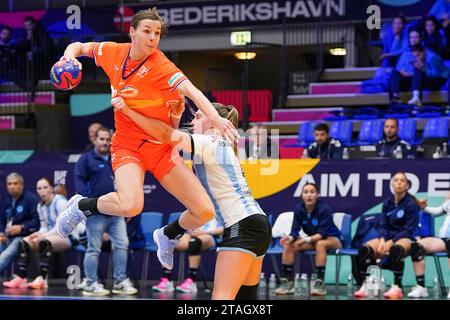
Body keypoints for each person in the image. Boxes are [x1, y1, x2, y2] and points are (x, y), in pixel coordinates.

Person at [56, 8, 238, 255]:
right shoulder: (113, 52)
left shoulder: (162, 66)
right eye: (147, 31)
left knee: (204, 210)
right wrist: (68, 58)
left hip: (162, 148)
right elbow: (78, 46)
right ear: (132, 32)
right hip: (128, 145)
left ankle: (167, 235)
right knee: (131, 205)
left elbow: (194, 92)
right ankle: (81, 206)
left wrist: (216, 119)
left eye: (157, 33)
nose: (153, 38)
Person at [114, 100, 272, 300]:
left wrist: (128, 111)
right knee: (247, 299)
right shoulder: (218, 144)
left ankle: (168, 234)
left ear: (215, 122)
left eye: (199, 115)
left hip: (242, 225)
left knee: (222, 297)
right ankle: (168, 234)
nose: (194, 118)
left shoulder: (210, 142)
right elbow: (169, 143)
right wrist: (175, 118)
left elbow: (165, 135)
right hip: (258, 224)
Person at [74, 126, 137, 296]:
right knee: (94, 247)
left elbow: (126, 182)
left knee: (122, 245)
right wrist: (87, 205)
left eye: (107, 139)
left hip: (117, 212)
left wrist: (129, 205)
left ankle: (120, 282)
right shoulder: (86, 160)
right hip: (96, 213)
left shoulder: (116, 159)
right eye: (101, 139)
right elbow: (79, 182)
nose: (104, 142)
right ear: (94, 140)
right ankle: (91, 283)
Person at [2, 178, 82, 289]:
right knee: (25, 241)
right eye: (39, 188)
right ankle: (21, 278)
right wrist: (36, 234)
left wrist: (42, 236)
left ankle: (42, 279)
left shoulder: (60, 202)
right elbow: (44, 227)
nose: (42, 191)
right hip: (52, 235)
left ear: (51, 188)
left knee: (44, 242)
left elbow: (62, 227)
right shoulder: (40, 206)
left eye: (45, 187)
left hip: (69, 236)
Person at [354, 172, 420, 299]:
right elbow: (383, 224)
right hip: (388, 236)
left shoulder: (411, 204)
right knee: (364, 249)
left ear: (407, 185)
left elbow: (409, 229)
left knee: (396, 249)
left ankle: (397, 286)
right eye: (396, 180)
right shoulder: (387, 203)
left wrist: (392, 241)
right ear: (392, 184)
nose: (399, 183)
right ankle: (367, 284)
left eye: (402, 181)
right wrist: (383, 239)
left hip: (405, 237)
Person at [275, 183, 342, 296]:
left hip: (332, 239)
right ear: (302, 195)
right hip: (313, 240)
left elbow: (322, 234)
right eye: (306, 192)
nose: (309, 195)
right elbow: (295, 230)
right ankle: (287, 282)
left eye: (312, 192)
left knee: (320, 244)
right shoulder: (298, 209)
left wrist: (305, 239)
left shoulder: (324, 209)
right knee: (289, 245)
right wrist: (289, 237)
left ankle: (320, 284)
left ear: (317, 195)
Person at [152, 218, 223, 293]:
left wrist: (204, 232)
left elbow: (225, 228)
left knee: (194, 243)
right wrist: (192, 230)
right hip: (193, 234)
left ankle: (192, 281)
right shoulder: (201, 208)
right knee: (167, 241)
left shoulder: (222, 209)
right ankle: (167, 280)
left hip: (212, 236)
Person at [408, 193, 450, 299]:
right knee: (416, 246)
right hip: (443, 239)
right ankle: (421, 287)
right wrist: (423, 207)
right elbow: (436, 211)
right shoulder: (448, 203)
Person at [0, 173, 39, 278]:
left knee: (4, 256)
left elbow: (37, 222)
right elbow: (1, 221)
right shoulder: (6, 200)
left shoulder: (31, 199)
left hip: (24, 237)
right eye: (9, 184)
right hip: (7, 237)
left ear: (21, 185)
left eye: (15, 183)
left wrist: (22, 227)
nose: (12, 186)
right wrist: (2, 233)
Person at [389, 29, 422, 104]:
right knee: (394, 72)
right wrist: (405, 73)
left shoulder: (424, 51)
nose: (413, 40)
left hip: (419, 79)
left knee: (418, 71)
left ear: (420, 38)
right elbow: (399, 69)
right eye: (411, 37)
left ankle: (416, 97)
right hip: (406, 78)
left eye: (416, 37)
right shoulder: (405, 52)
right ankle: (395, 97)